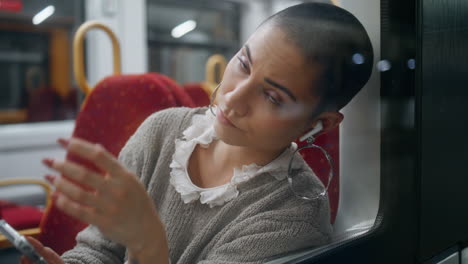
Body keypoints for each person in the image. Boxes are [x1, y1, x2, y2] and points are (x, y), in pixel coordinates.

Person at [21, 2, 373, 264]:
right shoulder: (161, 130)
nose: (233, 98)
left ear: (319, 124)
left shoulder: (295, 220)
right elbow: (98, 249)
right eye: (243, 64)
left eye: (272, 96)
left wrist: (148, 244)